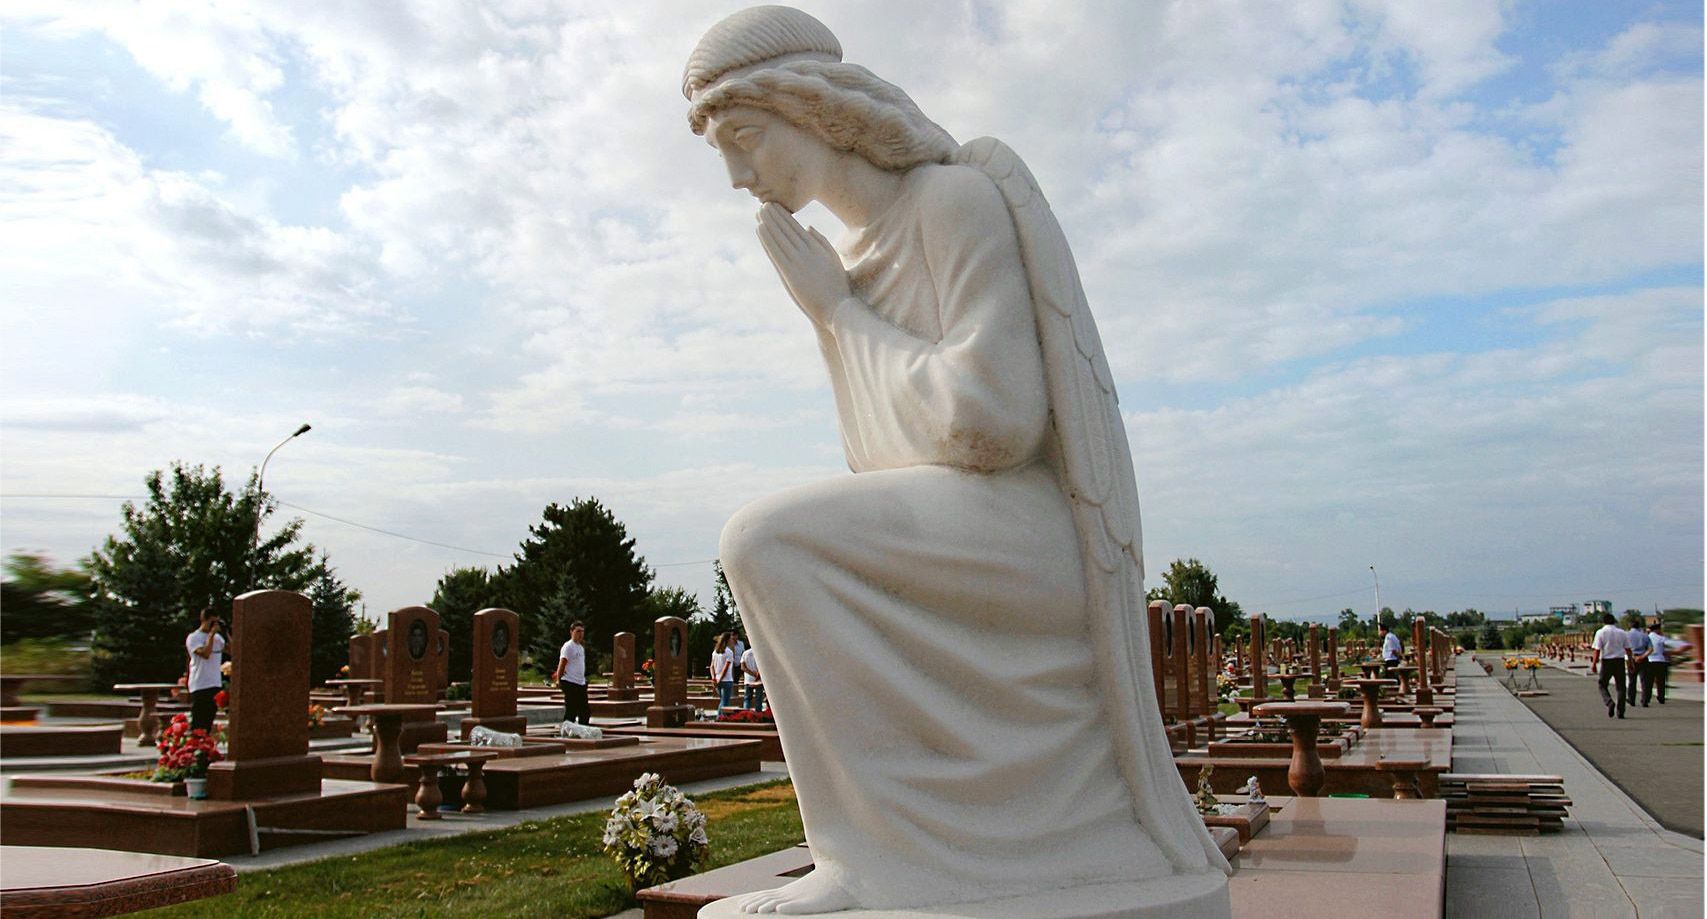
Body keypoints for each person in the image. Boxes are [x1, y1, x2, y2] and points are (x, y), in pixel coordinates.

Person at [685, 7, 1228, 914]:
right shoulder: (849, 257)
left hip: (1030, 539)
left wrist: (839, 315)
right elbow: (886, 460)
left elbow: (991, 423)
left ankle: (871, 859)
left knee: (765, 541)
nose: (739, 177)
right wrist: (836, 307)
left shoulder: (952, 201)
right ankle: (877, 855)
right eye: (722, 154)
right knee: (772, 546)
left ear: (815, 109)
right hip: (967, 530)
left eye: (746, 138)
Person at [185, 608, 226, 732]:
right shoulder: (193, 637)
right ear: (204, 620)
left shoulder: (218, 638)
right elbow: (205, 654)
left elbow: (233, 650)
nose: (214, 625)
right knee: (198, 721)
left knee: (209, 720)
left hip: (214, 683)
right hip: (200, 683)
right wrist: (211, 634)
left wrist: (226, 633)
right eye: (212, 622)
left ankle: (205, 742)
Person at [1591, 612, 1630, 718]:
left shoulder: (1600, 632)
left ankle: (1609, 702)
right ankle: (1621, 711)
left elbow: (1597, 650)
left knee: (1602, 684)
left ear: (1603, 622)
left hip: (1607, 661)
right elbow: (1628, 649)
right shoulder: (1622, 632)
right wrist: (1630, 662)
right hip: (1619, 661)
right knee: (1621, 687)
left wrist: (1594, 664)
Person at [550, 621, 590, 725]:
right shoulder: (568, 646)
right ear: (571, 632)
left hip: (580, 683)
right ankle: (566, 730)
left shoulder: (580, 647)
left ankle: (583, 730)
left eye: (582, 631)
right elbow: (562, 663)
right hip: (570, 682)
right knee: (571, 710)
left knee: (585, 711)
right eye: (578, 631)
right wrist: (558, 680)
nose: (580, 634)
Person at [1643, 621, 1673, 706]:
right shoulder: (1661, 638)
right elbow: (1666, 649)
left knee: (1648, 681)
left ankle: (1646, 699)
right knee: (1661, 681)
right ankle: (1661, 697)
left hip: (1649, 660)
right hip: (1660, 661)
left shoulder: (1646, 638)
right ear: (1657, 629)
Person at [711, 632, 736, 709]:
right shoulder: (729, 652)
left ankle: (720, 715)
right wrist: (720, 679)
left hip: (717, 679)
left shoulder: (715, 652)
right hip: (726, 680)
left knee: (722, 701)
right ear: (727, 640)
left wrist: (714, 678)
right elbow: (726, 668)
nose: (732, 640)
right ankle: (721, 716)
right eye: (731, 639)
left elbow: (712, 666)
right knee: (725, 703)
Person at [740, 643, 763, 710]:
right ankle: (758, 713)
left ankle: (745, 713)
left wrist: (752, 673)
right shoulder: (760, 653)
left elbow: (742, 667)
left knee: (747, 698)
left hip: (748, 679)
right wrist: (756, 674)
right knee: (758, 699)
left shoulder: (745, 653)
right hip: (759, 679)